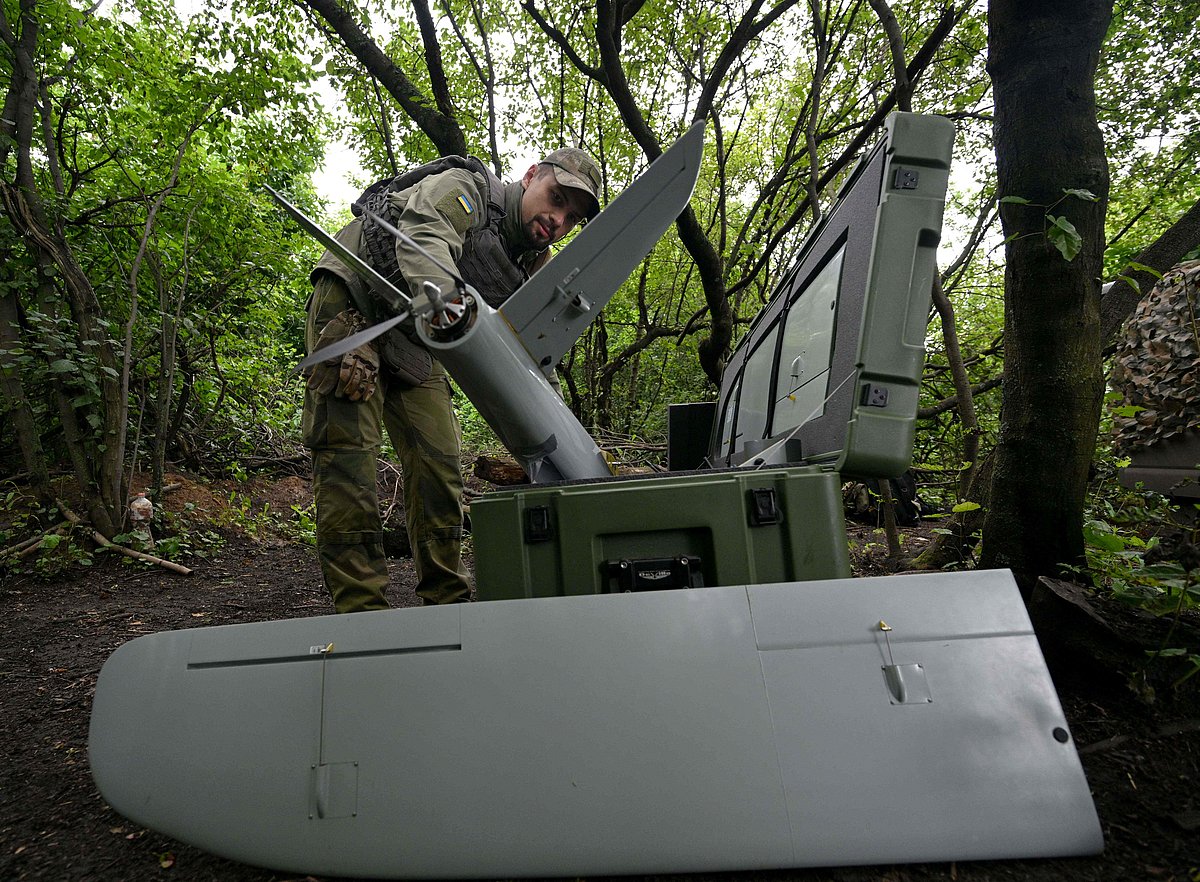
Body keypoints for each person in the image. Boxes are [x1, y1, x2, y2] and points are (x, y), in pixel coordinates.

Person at [302, 147, 602, 612]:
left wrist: (559, 438)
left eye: (571, 217)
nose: (557, 219)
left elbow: (531, 357)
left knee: (440, 463)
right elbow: (425, 234)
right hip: (358, 303)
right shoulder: (467, 189)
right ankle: (362, 612)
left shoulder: (535, 268)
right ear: (530, 177)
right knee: (349, 460)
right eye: (556, 198)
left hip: (418, 338)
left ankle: (448, 604)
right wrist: (444, 299)